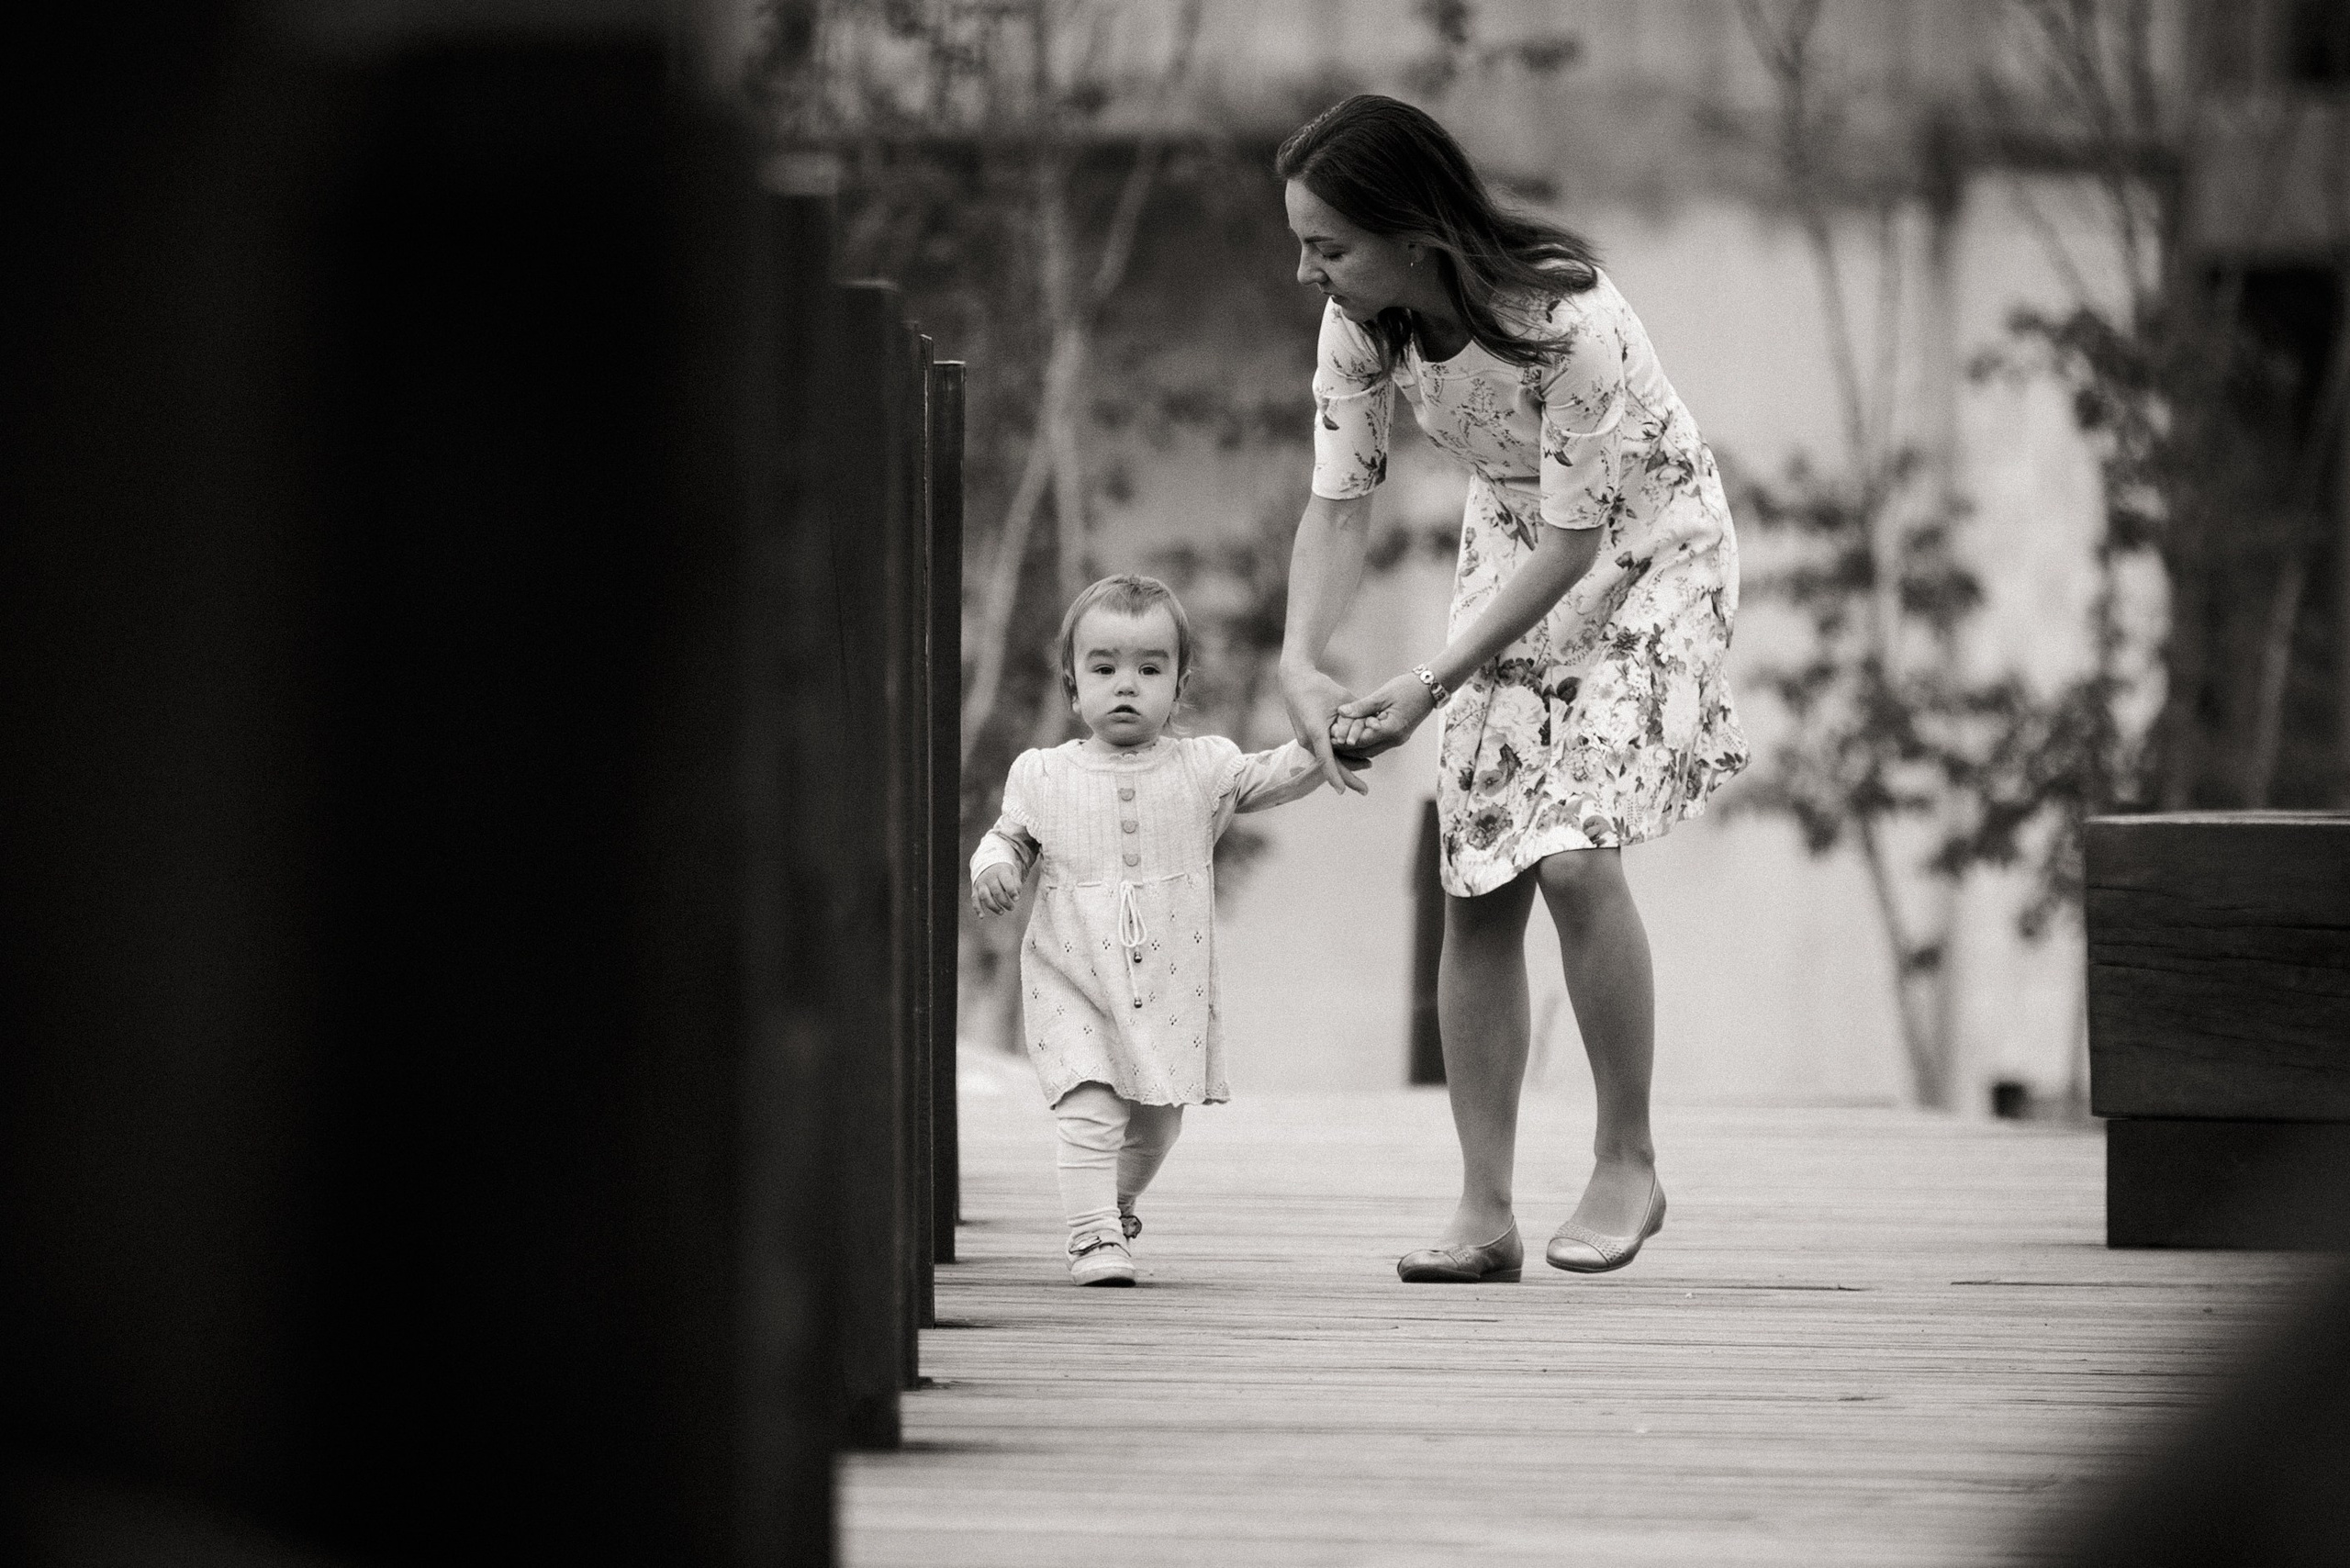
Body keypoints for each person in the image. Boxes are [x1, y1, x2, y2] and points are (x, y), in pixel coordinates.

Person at [1272, 95, 1749, 1282]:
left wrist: (1429, 681)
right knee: (1479, 867)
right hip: (1518, 543)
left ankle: (1627, 1160)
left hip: (1648, 551)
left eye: (1327, 244)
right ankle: (1484, 1210)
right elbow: (1340, 501)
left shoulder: (1564, 318)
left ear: (1416, 233)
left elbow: (1583, 549)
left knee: (1576, 849)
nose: (1306, 269)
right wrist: (1298, 656)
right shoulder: (1362, 325)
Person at [971, 574, 1335, 1284]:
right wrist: (994, 868)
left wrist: (1334, 742)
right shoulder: (1042, 774)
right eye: (1103, 669)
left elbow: (1277, 775)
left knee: (1158, 1123)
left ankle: (1111, 1206)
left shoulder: (1204, 767)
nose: (1126, 685)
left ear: (1180, 683)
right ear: (1073, 687)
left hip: (1167, 978)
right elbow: (1007, 839)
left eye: (1149, 668)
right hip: (1072, 973)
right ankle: (1090, 1237)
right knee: (1090, 1103)